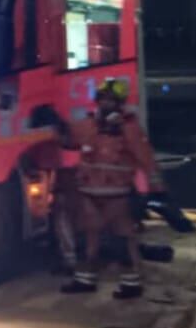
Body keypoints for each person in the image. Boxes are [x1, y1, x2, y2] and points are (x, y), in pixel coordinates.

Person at [60, 79, 161, 299]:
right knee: (88, 237)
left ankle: (131, 283)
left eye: (110, 100)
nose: (105, 104)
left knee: (122, 239)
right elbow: (69, 139)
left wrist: (155, 188)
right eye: (103, 99)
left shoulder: (129, 129)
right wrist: (56, 124)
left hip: (118, 194)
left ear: (119, 103)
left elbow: (146, 158)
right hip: (89, 192)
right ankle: (85, 280)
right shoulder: (89, 125)